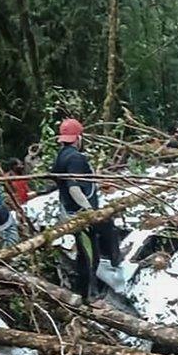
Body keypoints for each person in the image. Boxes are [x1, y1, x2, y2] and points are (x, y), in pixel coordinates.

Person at [51, 118, 122, 299]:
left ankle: (90, 289)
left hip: (70, 210)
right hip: (81, 214)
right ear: (78, 138)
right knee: (90, 256)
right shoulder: (75, 158)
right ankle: (88, 296)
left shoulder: (61, 156)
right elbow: (74, 188)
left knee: (91, 249)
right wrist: (90, 210)